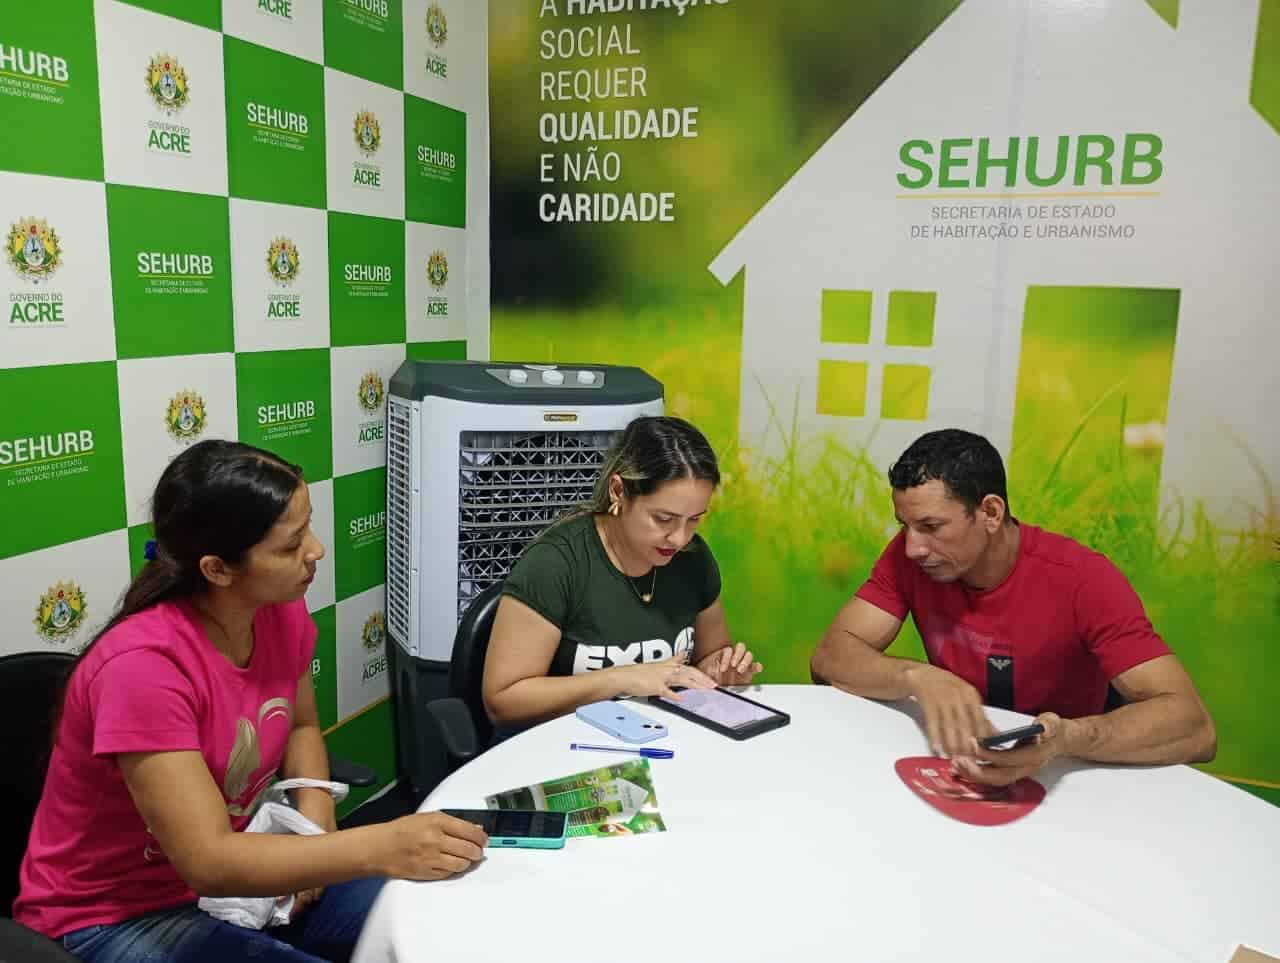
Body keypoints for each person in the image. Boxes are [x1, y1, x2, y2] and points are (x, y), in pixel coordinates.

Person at [14, 440, 488, 963]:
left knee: (448, 916)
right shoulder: (141, 670)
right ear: (218, 569)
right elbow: (209, 861)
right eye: (290, 546)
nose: (315, 550)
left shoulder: (275, 607)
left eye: (308, 527)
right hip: (113, 916)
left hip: (234, 887)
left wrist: (314, 829)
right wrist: (379, 847)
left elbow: (302, 725)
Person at [810, 428, 1216, 787]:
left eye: (931, 527)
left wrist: (1065, 739)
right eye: (905, 526)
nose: (913, 547)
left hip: (1072, 784)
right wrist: (917, 676)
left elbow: (1195, 729)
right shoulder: (910, 556)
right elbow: (830, 658)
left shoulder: (1083, 578)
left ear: (990, 512)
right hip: (963, 772)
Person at [483, 416, 762, 728]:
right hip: (562, 746)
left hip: (663, 737)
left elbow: (710, 657)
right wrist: (622, 679)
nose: (680, 538)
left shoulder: (693, 558)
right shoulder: (555, 564)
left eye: (694, 519)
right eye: (664, 519)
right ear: (618, 491)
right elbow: (503, 700)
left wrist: (721, 671)